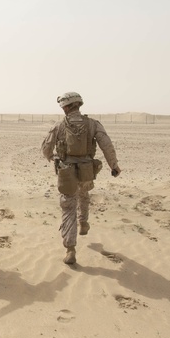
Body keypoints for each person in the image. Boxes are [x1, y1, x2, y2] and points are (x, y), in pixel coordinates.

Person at [41, 92, 120, 266]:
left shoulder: (59, 125)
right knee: (84, 195)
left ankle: (70, 249)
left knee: (68, 207)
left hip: (67, 173)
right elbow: (107, 145)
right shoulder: (93, 124)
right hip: (86, 171)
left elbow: (46, 148)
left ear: (67, 107)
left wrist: (52, 157)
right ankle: (83, 222)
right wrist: (114, 166)